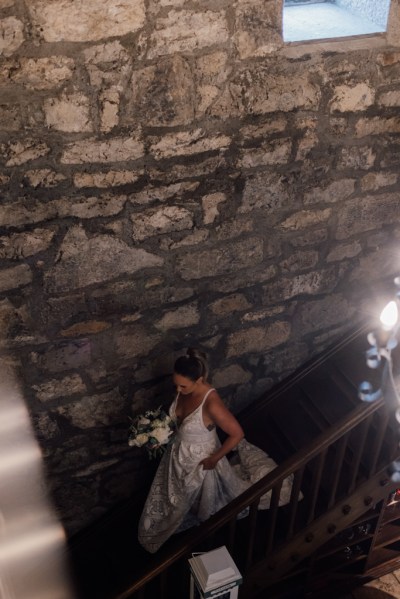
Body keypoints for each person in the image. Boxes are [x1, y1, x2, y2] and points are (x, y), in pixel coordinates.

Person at [138, 348, 294, 553]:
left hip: (201, 459)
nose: (177, 390)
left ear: (199, 380)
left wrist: (215, 459)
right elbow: (177, 421)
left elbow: (237, 434)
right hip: (177, 454)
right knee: (174, 492)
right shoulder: (183, 390)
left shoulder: (211, 404)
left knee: (196, 496)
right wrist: (157, 435)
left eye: (183, 386)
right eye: (175, 384)